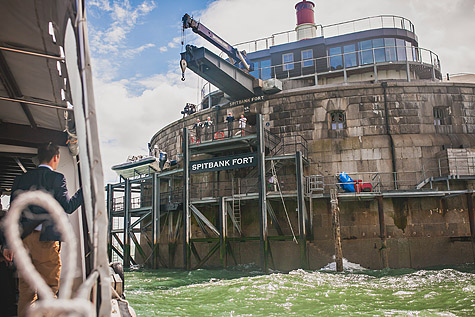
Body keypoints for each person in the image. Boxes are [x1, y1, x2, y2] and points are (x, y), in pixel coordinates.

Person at [8, 142, 83, 317]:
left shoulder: (21, 179)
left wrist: (6, 244)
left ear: (38, 158)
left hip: (23, 241)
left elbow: (13, 212)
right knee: (48, 290)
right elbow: (69, 206)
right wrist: (85, 190)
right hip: (45, 240)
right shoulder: (57, 178)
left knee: (25, 290)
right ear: (56, 157)